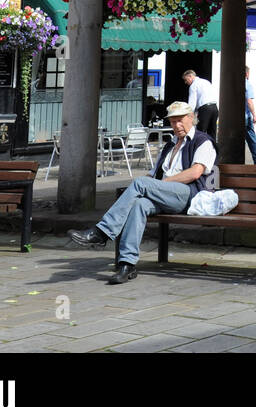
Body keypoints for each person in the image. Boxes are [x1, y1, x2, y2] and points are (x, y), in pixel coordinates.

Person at [69, 101, 218, 284]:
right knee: (139, 204)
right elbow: (153, 173)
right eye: (172, 122)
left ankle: (102, 232)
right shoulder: (170, 145)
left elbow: (195, 172)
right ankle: (127, 264)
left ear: (191, 118)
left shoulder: (203, 141)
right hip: (165, 194)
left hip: (189, 195)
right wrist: (149, 184)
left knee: (140, 184)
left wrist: (158, 184)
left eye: (180, 120)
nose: (176, 125)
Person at [182, 69, 219, 139]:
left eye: (186, 80)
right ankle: (213, 149)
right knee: (212, 132)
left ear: (190, 76)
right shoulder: (206, 82)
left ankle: (199, 148)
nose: (185, 82)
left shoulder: (193, 86)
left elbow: (192, 103)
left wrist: (188, 115)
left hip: (205, 109)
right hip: (214, 107)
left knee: (200, 132)